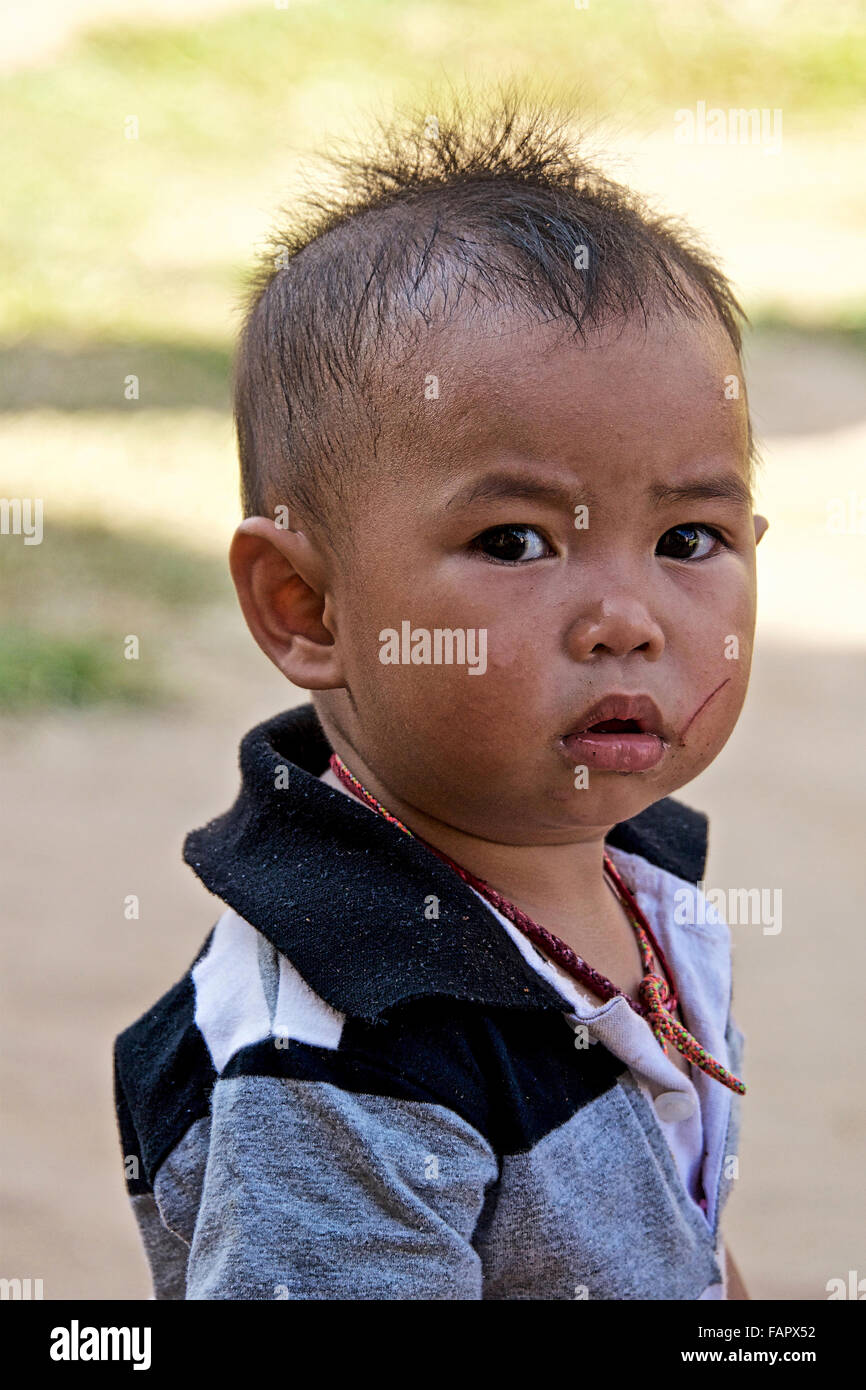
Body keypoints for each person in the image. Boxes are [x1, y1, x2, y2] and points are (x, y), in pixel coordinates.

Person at [113, 90, 768, 1300]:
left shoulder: (636, 876)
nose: (626, 617)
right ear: (307, 606)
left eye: (686, 538)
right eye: (515, 542)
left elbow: (675, 1230)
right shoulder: (334, 1063)